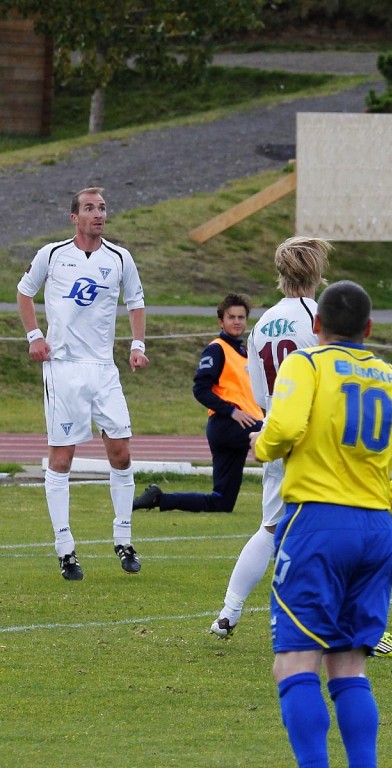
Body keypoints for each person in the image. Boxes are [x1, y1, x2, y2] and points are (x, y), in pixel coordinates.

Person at [252, 280, 392, 767]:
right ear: (369, 328)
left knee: (295, 662)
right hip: (375, 530)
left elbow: (282, 428)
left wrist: (263, 446)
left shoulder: (307, 362)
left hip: (318, 523)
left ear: (317, 326)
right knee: (348, 664)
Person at [207, 236, 392, 658]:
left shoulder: (262, 323)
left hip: (276, 433)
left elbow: (260, 391)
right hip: (319, 440)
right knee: (349, 531)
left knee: (270, 530)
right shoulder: (319, 319)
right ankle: (365, 630)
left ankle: (228, 613)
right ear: (316, 272)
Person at [16, 186, 147, 580]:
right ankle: (65, 548)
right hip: (64, 368)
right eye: (89, 208)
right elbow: (24, 293)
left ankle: (123, 539)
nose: (98, 214)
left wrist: (137, 345)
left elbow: (135, 302)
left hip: (103, 368)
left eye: (102, 208)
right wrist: (34, 336)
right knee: (62, 459)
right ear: (75, 217)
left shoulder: (120, 258)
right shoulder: (52, 255)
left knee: (121, 453)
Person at [132, 294, 264, 513]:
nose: (237, 321)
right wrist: (231, 411)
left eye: (241, 317)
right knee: (283, 438)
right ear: (221, 322)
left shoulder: (244, 353)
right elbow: (200, 389)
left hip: (243, 425)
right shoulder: (217, 349)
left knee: (221, 502)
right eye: (231, 317)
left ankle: (159, 498)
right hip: (229, 425)